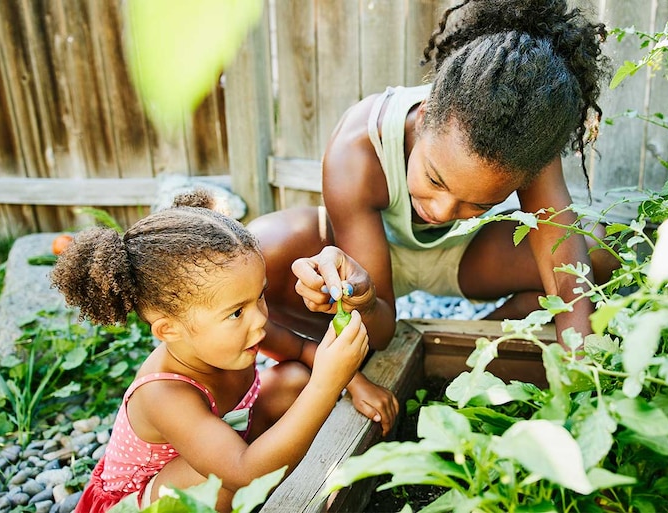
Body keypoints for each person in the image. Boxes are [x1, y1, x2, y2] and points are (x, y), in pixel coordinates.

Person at [249, 0, 619, 351]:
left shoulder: (524, 142)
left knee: (596, 253)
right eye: (435, 180)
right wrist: (363, 302)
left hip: (463, 255)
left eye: (478, 204)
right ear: (424, 116)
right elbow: (382, 328)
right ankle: (331, 357)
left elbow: (566, 273)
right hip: (374, 256)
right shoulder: (358, 147)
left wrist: (581, 365)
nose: (441, 212)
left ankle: (475, 347)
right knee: (261, 250)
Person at [50, 190, 398, 513]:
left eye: (259, 296)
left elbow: (302, 349)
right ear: (169, 330)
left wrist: (356, 383)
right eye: (236, 312)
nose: (259, 318)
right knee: (217, 484)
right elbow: (243, 474)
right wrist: (326, 384)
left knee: (294, 379)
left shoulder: (240, 334)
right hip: (139, 502)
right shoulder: (163, 394)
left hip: (223, 450)